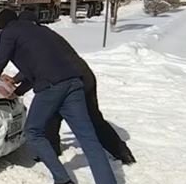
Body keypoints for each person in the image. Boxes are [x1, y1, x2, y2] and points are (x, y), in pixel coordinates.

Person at [0, 9, 124, 184]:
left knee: (33, 131)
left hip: (51, 87)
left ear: (1, 26)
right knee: (88, 138)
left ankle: (63, 180)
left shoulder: (9, 32)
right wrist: (19, 91)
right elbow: (39, 66)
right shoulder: (41, 31)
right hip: (74, 82)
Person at [7, 10, 136, 164]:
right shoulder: (46, 34)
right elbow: (39, 67)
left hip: (74, 78)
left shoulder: (33, 38)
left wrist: (18, 89)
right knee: (55, 115)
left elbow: (40, 69)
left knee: (86, 117)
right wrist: (16, 80)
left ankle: (120, 152)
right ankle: (52, 150)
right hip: (84, 74)